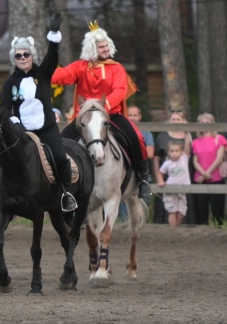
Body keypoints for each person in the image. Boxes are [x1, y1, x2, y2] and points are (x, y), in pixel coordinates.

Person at [51, 22, 152, 199]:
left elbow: (120, 90)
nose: (106, 49)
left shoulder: (116, 68)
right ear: (92, 48)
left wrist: (103, 106)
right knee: (60, 144)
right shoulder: (80, 66)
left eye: (107, 46)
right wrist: (42, 71)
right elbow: (62, 76)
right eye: (101, 47)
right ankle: (60, 183)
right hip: (85, 117)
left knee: (138, 138)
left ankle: (143, 179)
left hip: (110, 114)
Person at [0, 12, 77, 213]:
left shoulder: (43, 74)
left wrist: (53, 34)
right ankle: (5, 196)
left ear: (32, 55)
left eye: (26, 54)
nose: (23, 58)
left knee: (61, 157)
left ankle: (66, 193)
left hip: (46, 129)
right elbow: (5, 109)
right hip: (23, 133)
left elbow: (52, 56)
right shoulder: (9, 83)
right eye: (18, 55)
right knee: (2, 156)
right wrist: (14, 122)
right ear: (14, 59)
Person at [190, 112, 227, 226]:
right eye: (202, 122)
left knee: (218, 210)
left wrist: (207, 173)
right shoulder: (196, 142)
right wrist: (203, 174)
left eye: (208, 122)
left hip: (216, 178)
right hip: (200, 180)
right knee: (201, 211)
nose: (205, 124)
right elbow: (195, 161)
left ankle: (218, 231)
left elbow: (219, 158)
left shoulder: (219, 138)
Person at [158, 139, 191, 226]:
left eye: (177, 151)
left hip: (182, 189)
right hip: (170, 189)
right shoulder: (167, 163)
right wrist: (161, 181)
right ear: (168, 152)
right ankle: (173, 230)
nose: (174, 153)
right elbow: (160, 172)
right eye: (172, 151)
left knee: (182, 212)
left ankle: (177, 226)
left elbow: (187, 145)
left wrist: (187, 135)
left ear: (181, 152)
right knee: (173, 211)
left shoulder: (184, 158)